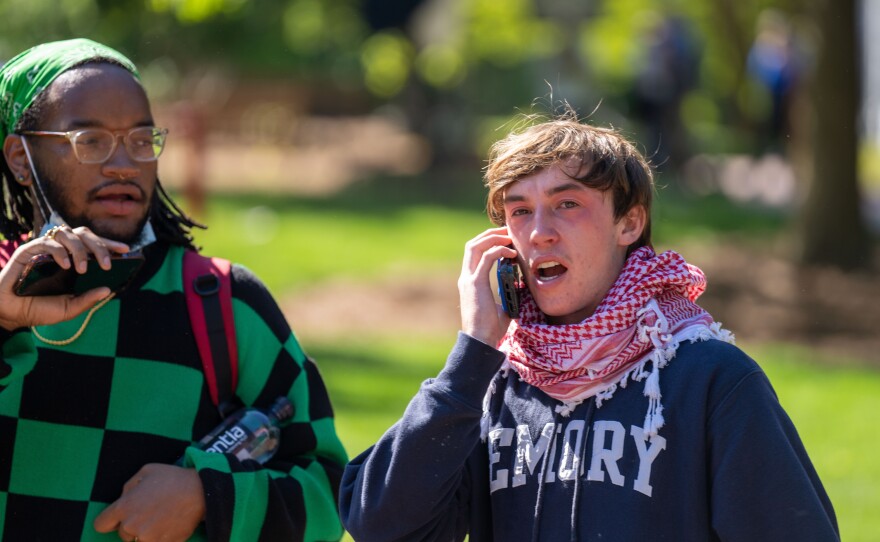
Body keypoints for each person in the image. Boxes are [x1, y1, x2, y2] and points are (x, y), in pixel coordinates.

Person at [339, 111, 839, 541]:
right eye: (520, 211)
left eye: (567, 204)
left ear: (630, 223)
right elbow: (381, 524)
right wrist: (472, 353)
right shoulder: (492, 388)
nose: (539, 232)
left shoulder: (712, 380)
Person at [0, 39, 347, 541]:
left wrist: (208, 497)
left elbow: (333, 495)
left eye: (142, 140)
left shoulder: (225, 300)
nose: (124, 164)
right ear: (20, 157)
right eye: (90, 141)